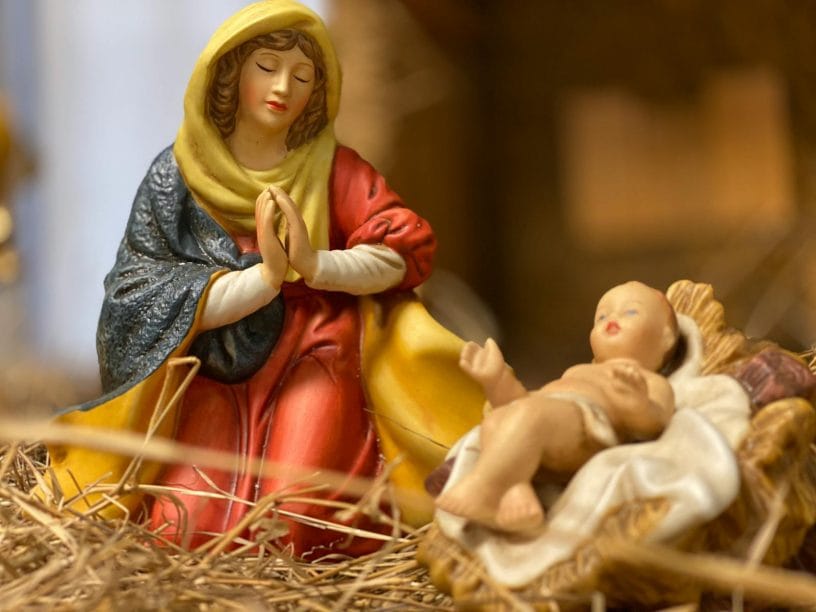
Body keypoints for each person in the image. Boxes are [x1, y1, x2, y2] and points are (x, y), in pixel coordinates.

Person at [45, 0, 485, 560]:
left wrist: (318, 264)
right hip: (214, 368)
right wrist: (262, 281)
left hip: (316, 354)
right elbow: (136, 290)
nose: (283, 87)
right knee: (183, 527)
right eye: (267, 67)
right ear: (230, 73)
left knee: (292, 519)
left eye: (302, 76)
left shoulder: (335, 169)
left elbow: (405, 250)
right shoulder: (176, 177)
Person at [435, 281, 679, 533]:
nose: (612, 319)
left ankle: (485, 488)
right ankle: (516, 494)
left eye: (631, 312)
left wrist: (638, 403)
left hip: (589, 428)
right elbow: (521, 404)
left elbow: (656, 422)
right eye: (602, 316)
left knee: (530, 417)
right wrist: (496, 379)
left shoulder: (650, 381)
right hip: (546, 420)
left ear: (665, 337)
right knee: (496, 421)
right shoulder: (576, 371)